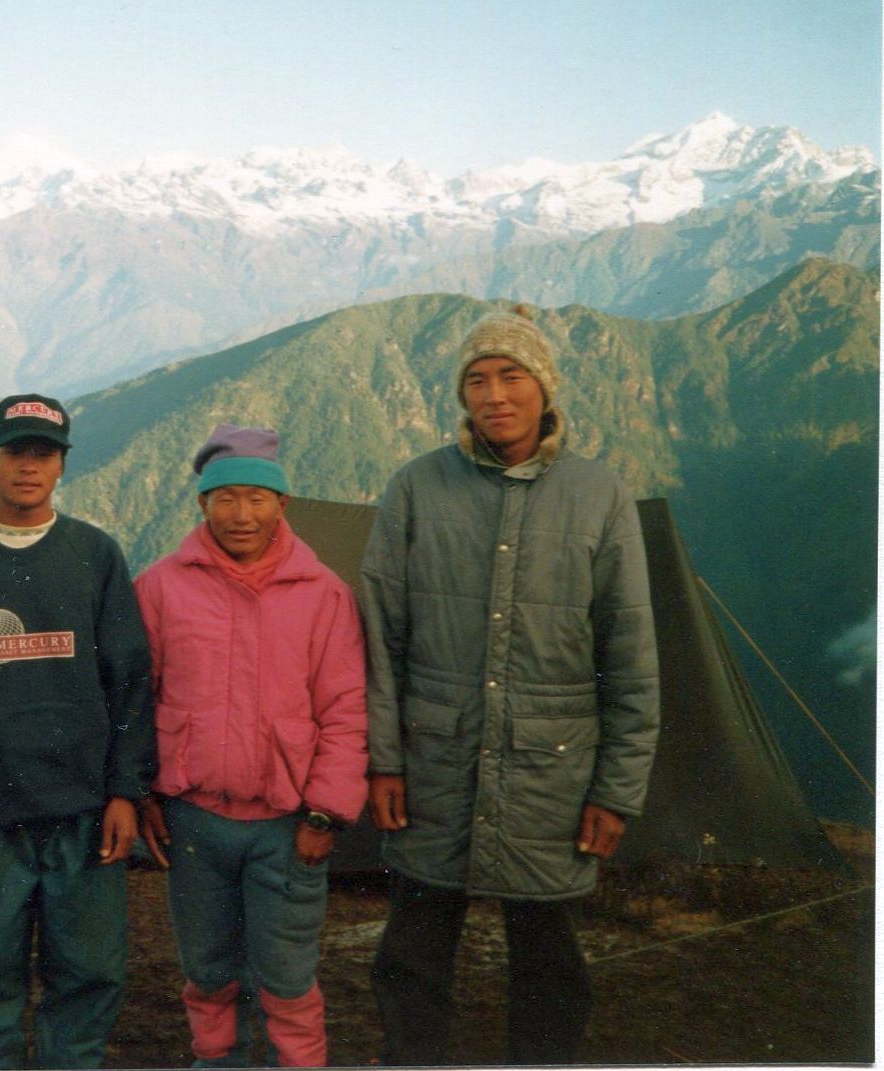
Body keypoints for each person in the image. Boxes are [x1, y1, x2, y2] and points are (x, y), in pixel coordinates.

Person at [359, 305, 660, 1064]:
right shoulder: (417, 488)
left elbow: (630, 655)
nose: (494, 394)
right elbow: (379, 639)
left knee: (552, 968)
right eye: (477, 379)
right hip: (434, 768)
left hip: (550, 778)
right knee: (411, 959)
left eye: (511, 375)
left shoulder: (599, 496)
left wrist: (616, 789)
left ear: (544, 387)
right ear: (461, 395)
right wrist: (384, 759)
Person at [0, 393, 156, 1070]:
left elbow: (130, 682)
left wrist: (126, 791)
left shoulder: (95, 555)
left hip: (86, 817)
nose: (28, 466)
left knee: (89, 976)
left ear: (62, 465)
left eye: (43, 453)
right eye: (15, 451)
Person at [136, 425, 368, 1068]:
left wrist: (326, 812)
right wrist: (144, 791)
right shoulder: (160, 588)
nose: (242, 514)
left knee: (287, 976)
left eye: (258, 498)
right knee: (209, 972)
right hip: (193, 818)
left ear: (282, 505)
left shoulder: (324, 597)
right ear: (203, 504)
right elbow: (136, 700)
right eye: (226, 498)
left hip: (289, 825)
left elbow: (346, 712)